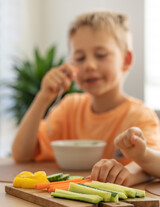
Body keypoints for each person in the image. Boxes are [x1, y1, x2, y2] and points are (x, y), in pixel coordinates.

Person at [12, 10, 160, 186]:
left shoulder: (140, 116)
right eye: (80, 58)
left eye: (101, 55)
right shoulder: (68, 108)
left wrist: (136, 163)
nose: (89, 65)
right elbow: (22, 154)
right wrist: (43, 97)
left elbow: (155, 164)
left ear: (126, 59)